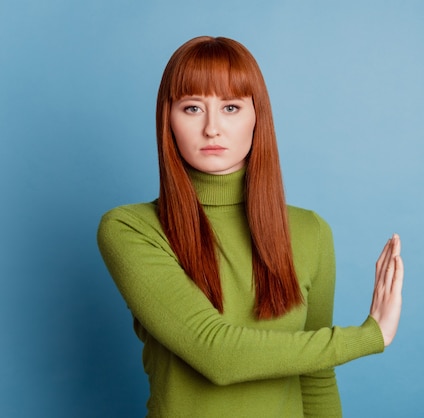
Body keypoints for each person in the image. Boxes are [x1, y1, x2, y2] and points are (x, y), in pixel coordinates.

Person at [97, 36, 403, 418]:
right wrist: (369, 337)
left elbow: (316, 378)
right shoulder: (131, 229)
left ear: (257, 116)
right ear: (167, 119)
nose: (212, 128)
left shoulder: (311, 232)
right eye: (192, 107)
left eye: (230, 107)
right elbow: (218, 354)